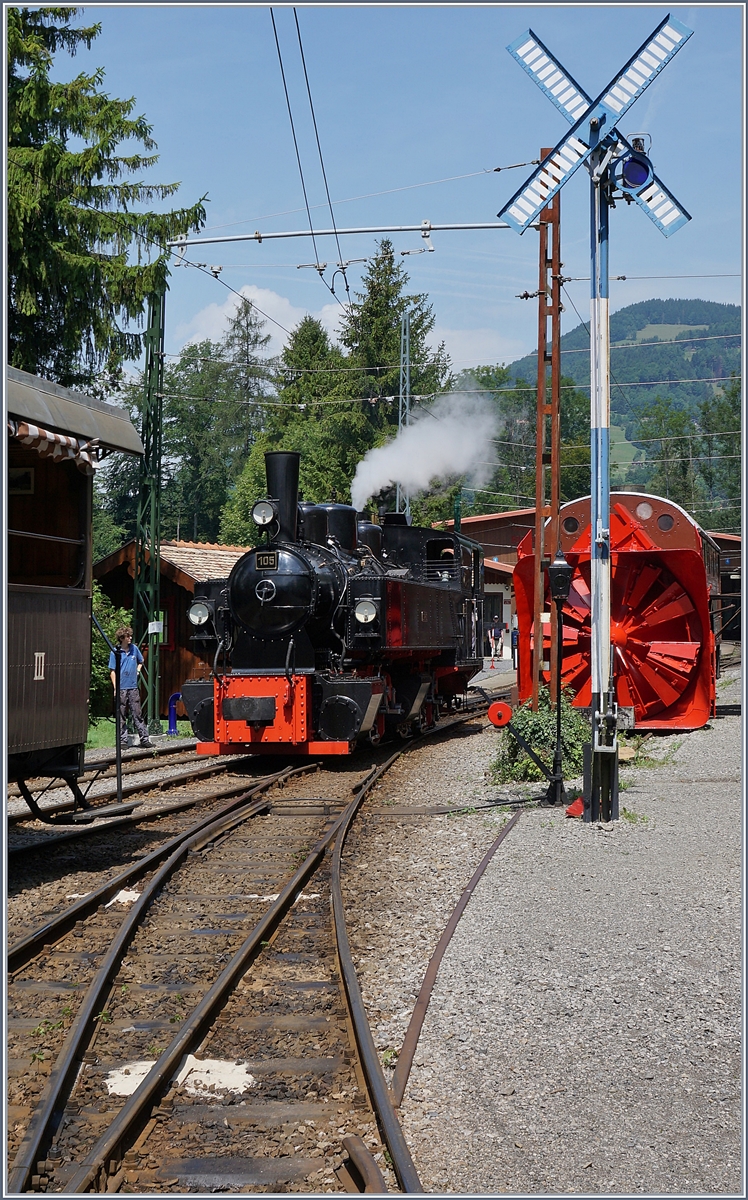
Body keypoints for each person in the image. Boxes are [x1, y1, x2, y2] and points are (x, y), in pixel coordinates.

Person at [109, 626, 153, 748]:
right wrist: (115, 688)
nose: (130, 638)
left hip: (133, 687)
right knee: (121, 714)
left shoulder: (134, 649)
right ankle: (123, 741)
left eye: (130, 636)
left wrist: (138, 671)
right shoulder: (115, 652)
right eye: (128, 636)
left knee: (137, 714)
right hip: (121, 688)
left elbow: (141, 661)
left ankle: (144, 739)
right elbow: (112, 671)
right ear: (122, 638)